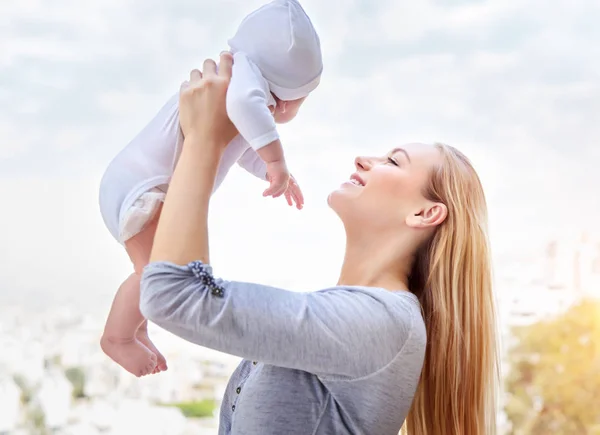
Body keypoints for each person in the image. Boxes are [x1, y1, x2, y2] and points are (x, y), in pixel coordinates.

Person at [140, 53, 501, 434]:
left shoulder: (382, 322)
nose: (364, 159)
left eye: (393, 162)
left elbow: (174, 296)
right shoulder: (356, 318)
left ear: (425, 214)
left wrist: (204, 139)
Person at [98, 0, 322, 377]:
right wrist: (276, 160)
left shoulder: (237, 81)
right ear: (285, 97)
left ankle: (137, 330)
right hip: (142, 189)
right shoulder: (241, 86)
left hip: (133, 183)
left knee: (153, 274)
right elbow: (247, 108)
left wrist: (268, 169)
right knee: (155, 274)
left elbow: (237, 149)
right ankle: (117, 338)